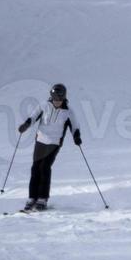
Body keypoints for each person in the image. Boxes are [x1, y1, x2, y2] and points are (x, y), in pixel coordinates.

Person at [17, 83, 82, 211]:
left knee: (45, 167)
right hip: (41, 140)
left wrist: (77, 137)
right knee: (35, 168)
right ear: (51, 97)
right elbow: (33, 117)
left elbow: (75, 126)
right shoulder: (44, 105)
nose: (57, 102)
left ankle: (42, 198)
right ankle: (32, 198)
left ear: (64, 98)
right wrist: (25, 125)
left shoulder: (68, 111)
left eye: (59, 100)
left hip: (54, 143)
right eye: (55, 99)